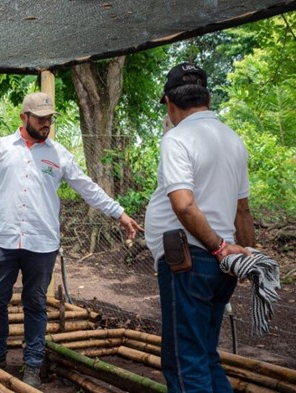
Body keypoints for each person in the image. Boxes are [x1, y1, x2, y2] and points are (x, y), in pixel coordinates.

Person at [0, 92, 142, 388]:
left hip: (42, 243)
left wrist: (119, 213)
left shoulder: (58, 154)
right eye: (40, 118)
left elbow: (87, 187)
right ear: (24, 117)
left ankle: (32, 364)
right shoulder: (1, 148)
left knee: (35, 303)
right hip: (3, 240)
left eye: (49, 118)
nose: (46, 123)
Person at [145, 63, 255, 392]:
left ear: (169, 102)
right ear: (206, 97)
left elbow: (183, 203)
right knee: (205, 355)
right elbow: (242, 209)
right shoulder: (233, 140)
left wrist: (219, 247)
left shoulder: (177, 139)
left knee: (184, 361)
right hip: (222, 266)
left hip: (192, 262)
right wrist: (245, 254)